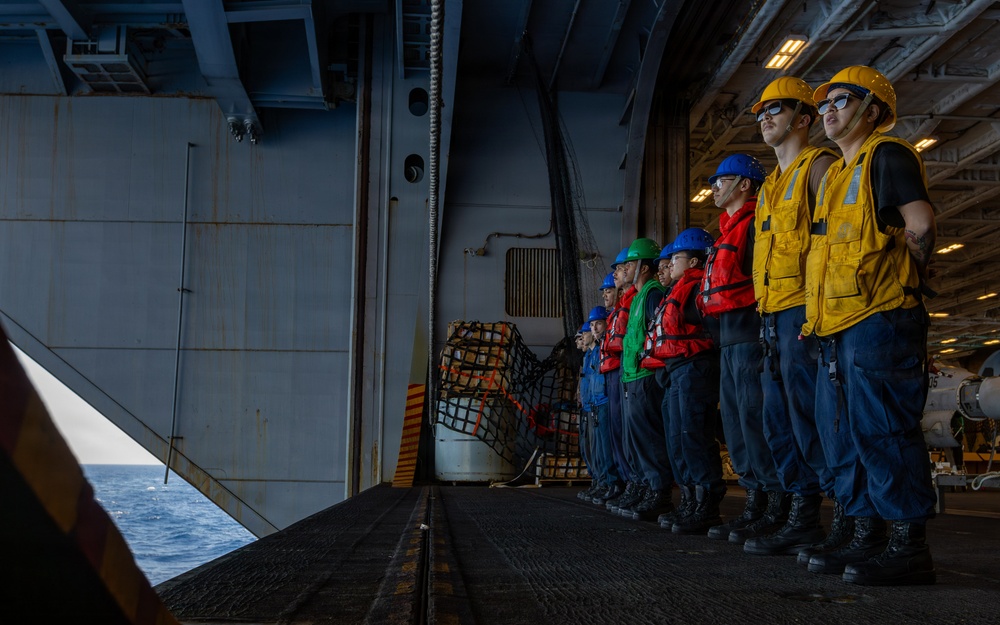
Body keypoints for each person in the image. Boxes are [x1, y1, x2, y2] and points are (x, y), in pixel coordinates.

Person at [802, 65, 937, 586]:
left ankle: (908, 545)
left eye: (840, 100)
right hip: (839, 325)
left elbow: (920, 224)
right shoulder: (838, 174)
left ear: (872, 110)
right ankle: (866, 533)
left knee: (885, 430)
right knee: (848, 434)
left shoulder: (887, 155)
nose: (828, 110)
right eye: (825, 103)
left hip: (881, 317)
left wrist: (908, 277)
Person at [744, 77, 840, 557]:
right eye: (761, 111)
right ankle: (800, 512)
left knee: (812, 418)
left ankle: (843, 514)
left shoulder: (819, 168)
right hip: (770, 316)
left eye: (775, 109)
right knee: (778, 421)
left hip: (803, 313)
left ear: (803, 119)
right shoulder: (769, 187)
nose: (765, 117)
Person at [697, 154, 786, 543]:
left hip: (751, 338)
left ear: (745, 184)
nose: (715, 188)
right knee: (735, 427)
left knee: (755, 421)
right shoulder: (724, 234)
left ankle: (775, 505)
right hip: (729, 342)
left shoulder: (754, 226)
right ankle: (755, 502)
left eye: (721, 181)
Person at [649, 229, 727, 534]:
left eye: (676, 258)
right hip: (678, 368)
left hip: (695, 366)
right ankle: (691, 500)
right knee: (679, 438)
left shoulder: (696, 288)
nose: (670, 264)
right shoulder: (678, 289)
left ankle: (707, 504)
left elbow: (710, 328)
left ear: (694, 261)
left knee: (694, 434)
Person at [619, 238, 674, 521]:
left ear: (643, 267)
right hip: (633, 375)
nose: (626, 268)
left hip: (646, 376)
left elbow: (658, 333)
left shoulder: (652, 293)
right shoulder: (638, 297)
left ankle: (659, 493)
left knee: (650, 438)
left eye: (630, 263)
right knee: (638, 439)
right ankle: (646, 487)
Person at [602, 249, 646, 513]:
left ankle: (635, 483)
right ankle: (628, 483)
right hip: (621, 371)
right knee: (619, 433)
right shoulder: (623, 305)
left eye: (622, 268)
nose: (619, 273)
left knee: (631, 432)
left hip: (629, 370)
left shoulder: (638, 299)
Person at [581, 305, 618, 504]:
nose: (594, 328)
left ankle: (612, 484)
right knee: (598, 449)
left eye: (598, 324)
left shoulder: (605, 348)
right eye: (592, 325)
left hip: (604, 401)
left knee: (606, 447)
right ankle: (602, 482)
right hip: (594, 403)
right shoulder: (593, 352)